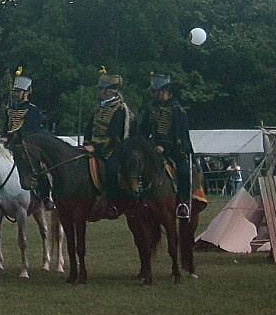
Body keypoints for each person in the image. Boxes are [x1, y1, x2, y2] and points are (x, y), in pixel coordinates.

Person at [140, 73, 194, 218]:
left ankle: (183, 202)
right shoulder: (151, 109)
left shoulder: (177, 110)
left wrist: (165, 147)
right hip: (153, 149)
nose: (153, 94)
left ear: (164, 91)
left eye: (155, 91)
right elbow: (143, 130)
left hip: (175, 150)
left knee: (183, 171)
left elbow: (179, 135)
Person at [83, 68, 133, 215]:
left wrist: (96, 147)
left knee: (111, 170)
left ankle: (113, 204)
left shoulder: (120, 109)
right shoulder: (98, 108)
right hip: (93, 147)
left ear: (110, 91)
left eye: (101, 89)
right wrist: (87, 143)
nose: (98, 91)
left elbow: (115, 135)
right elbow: (89, 128)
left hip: (112, 148)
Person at [0, 66, 50, 204]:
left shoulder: (32, 110)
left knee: (41, 169)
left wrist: (16, 136)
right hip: (10, 144)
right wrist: (3, 138)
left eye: (18, 91)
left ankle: (45, 197)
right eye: (14, 91)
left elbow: (33, 132)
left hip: (27, 146)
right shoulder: (10, 109)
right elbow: (5, 128)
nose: (15, 94)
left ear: (27, 92)